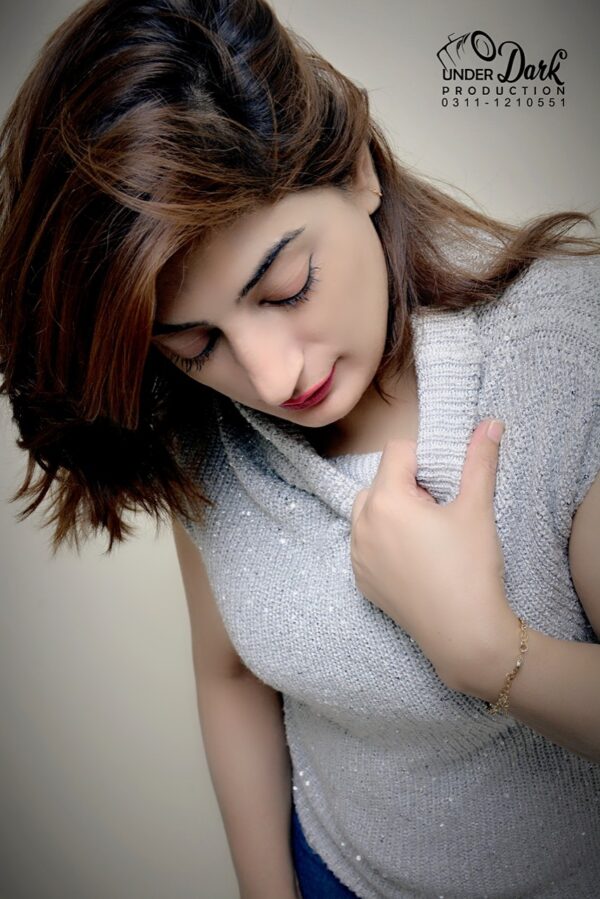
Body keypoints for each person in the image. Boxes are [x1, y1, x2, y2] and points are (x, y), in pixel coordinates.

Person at [1, 1, 599, 897]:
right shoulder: (202, 430)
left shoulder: (564, 362)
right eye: (196, 342)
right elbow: (229, 673)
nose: (272, 378)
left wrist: (486, 650)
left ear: (357, 171)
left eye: (286, 286)